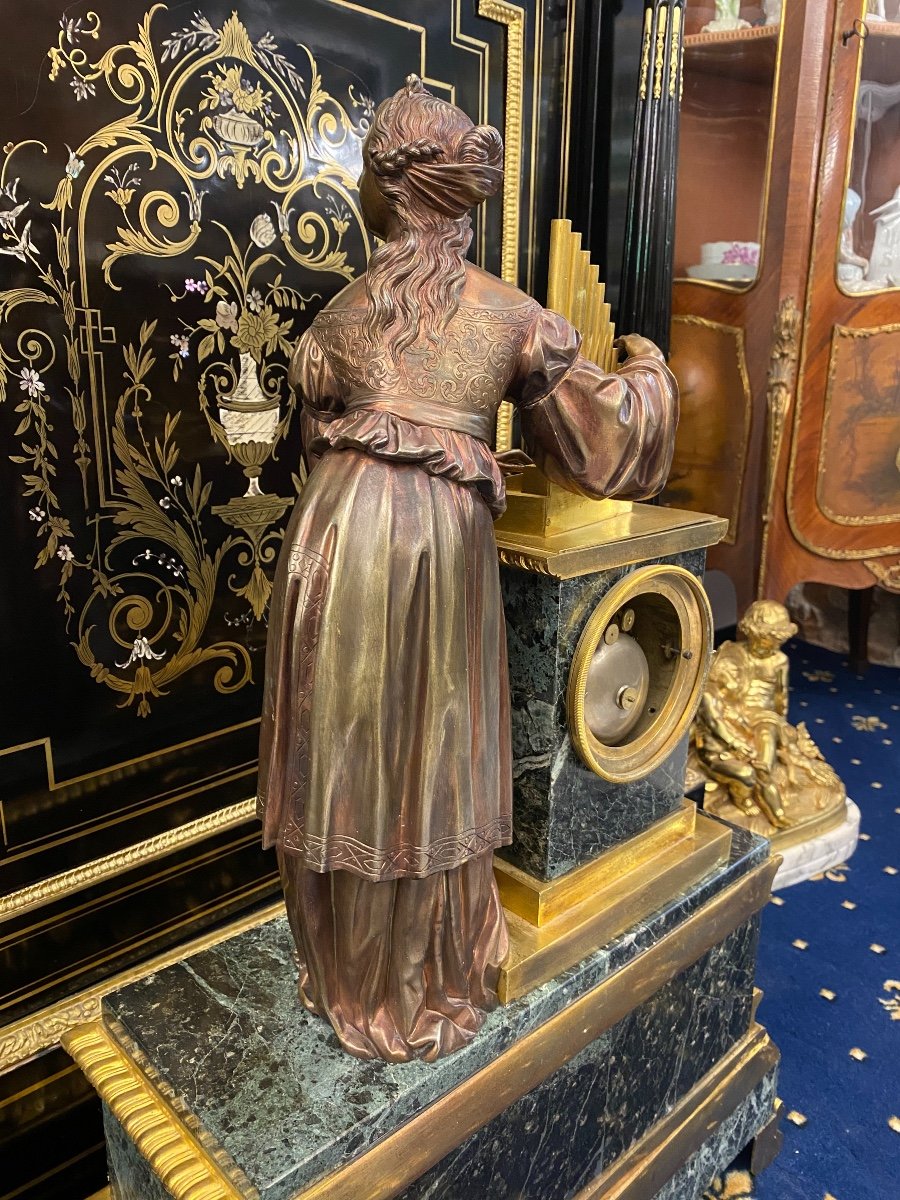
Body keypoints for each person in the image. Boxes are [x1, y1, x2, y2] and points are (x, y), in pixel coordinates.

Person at [257, 75, 678, 1062]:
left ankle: (346, 970)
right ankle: (418, 981)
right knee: (422, 755)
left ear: (381, 191)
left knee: (354, 751)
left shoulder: (335, 322)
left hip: (332, 542)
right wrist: (652, 372)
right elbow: (608, 447)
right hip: (430, 551)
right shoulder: (512, 318)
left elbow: (305, 435)